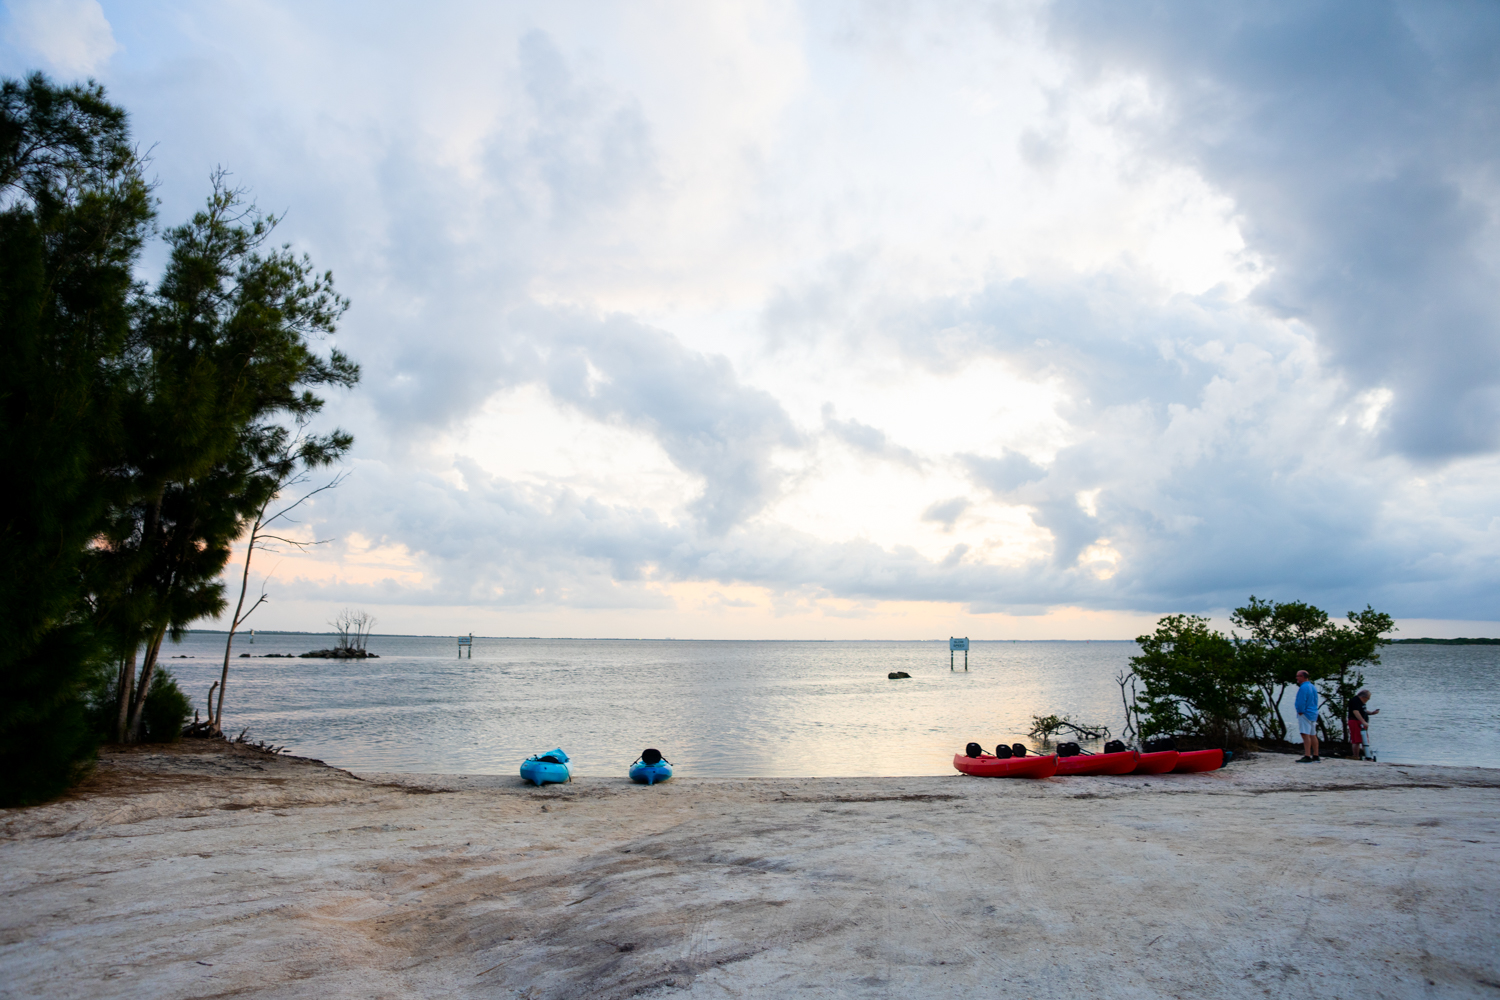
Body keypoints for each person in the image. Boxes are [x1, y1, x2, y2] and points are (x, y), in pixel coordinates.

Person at [1294, 669, 1320, 762]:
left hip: (1305, 713)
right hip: (1313, 712)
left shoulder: (1303, 687)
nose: (1296, 678)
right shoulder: (1312, 687)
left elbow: (1301, 701)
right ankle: (1316, 755)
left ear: (1303, 677)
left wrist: (1300, 711)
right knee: (1313, 734)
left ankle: (1307, 755)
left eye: (1298, 676)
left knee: (1305, 734)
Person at [1348, 689, 1379, 760]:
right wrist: (1363, 721)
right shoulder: (1355, 701)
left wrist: (1371, 713)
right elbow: (1355, 711)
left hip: (1361, 723)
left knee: (1364, 740)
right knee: (1356, 740)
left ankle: (1367, 756)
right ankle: (1356, 756)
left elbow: (1362, 710)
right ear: (1363, 697)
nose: (1368, 700)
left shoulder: (1361, 702)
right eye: (1367, 698)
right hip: (1355, 721)